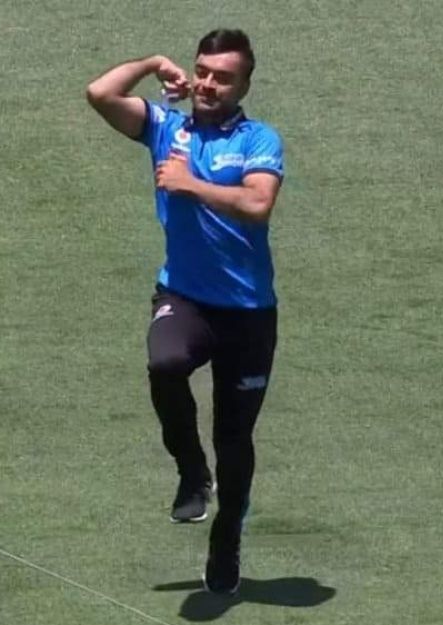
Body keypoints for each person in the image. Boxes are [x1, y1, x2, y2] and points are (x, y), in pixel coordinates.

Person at [86, 29, 284, 594]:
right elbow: (99, 94)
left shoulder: (258, 139)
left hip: (248, 313)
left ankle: (227, 537)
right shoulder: (165, 127)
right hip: (185, 297)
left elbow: (258, 203)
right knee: (166, 363)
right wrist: (150, 61)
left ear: (244, 84)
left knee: (236, 437)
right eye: (203, 70)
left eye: (223, 76)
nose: (209, 83)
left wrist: (191, 184)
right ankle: (191, 473)